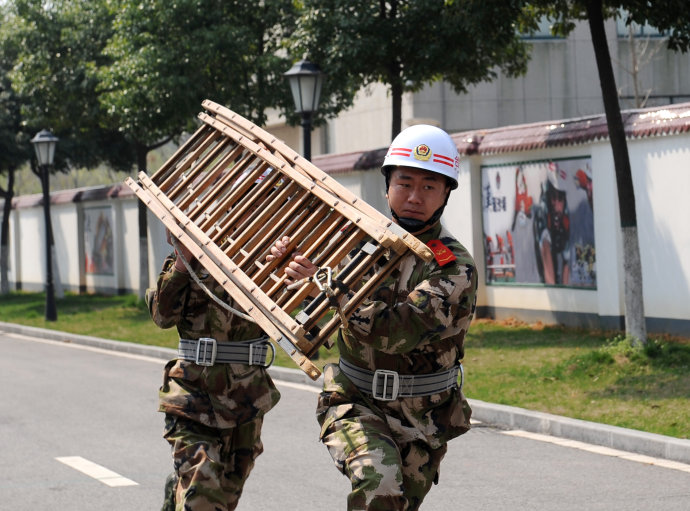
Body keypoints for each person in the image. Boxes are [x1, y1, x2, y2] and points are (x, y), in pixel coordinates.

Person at [271, 124, 478, 510]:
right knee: (378, 485)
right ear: (387, 185)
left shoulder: (453, 268)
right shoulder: (351, 243)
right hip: (354, 400)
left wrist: (326, 286)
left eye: (429, 186)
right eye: (405, 183)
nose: (414, 197)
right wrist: (288, 267)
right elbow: (309, 321)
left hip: (424, 416)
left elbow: (394, 332)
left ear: (446, 193)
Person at [147, 228, 280, 511]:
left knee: (224, 498)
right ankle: (187, 488)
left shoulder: (268, 258)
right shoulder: (190, 258)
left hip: (247, 398)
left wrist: (290, 268)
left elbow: (303, 322)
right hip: (192, 394)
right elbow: (162, 316)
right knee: (203, 493)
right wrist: (184, 260)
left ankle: (177, 492)